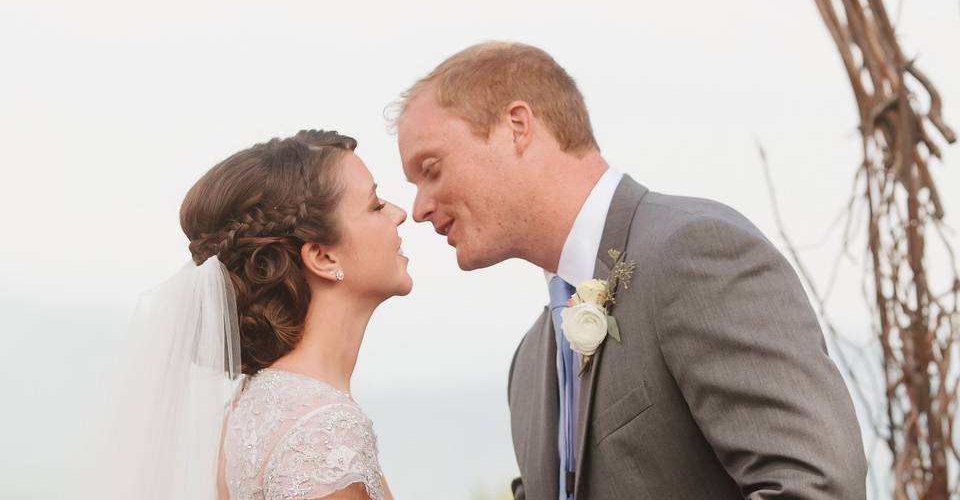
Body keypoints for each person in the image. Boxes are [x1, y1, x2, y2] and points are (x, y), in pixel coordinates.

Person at [395, 42, 868, 499]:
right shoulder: (528, 364)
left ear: (516, 126)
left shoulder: (695, 253)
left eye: (431, 169)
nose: (418, 209)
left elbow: (817, 486)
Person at [109, 130, 408, 500]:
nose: (400, 214)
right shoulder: (323, 431)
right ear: (323, 257)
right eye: (376, 205)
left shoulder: (247, 410)